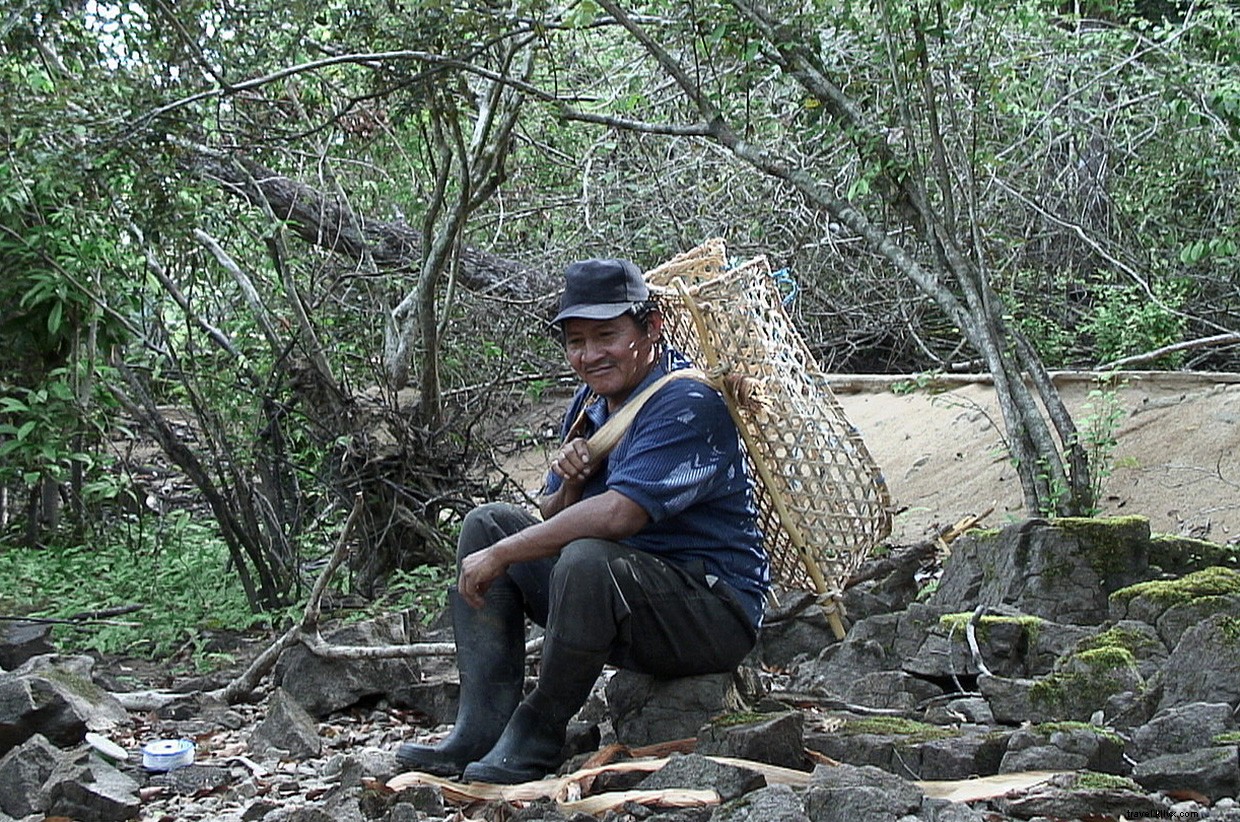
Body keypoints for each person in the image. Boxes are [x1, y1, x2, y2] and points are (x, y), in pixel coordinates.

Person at [395, 257, 769, 784]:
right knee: (488, 523)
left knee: (585, 559)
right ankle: (481, 726)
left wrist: (504, 556)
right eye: (575, 341)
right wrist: (571, 479)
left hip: (712, 610)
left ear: (652, 327)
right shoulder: (593, 398)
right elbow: (553, 512)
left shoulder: (687, 400)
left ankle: (541, 728)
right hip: (625, 599)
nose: (590, 355)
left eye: (606, 335)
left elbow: (619, 515)